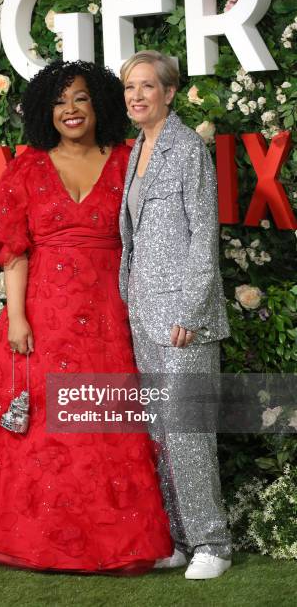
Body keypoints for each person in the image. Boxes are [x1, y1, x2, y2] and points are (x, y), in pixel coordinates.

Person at [0, 60, 172, 573]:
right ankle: (30, 539)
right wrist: (16, 319)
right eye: (58, 102)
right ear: (43, 112)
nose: (69, 110)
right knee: (37, 426)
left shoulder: (129, 160)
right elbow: (14, 249)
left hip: (111, 313)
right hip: (43, 313)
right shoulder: (30, 167)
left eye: (79, 98)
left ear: (98, 102)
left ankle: (111, 543)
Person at [118, 50, 232, 579]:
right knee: (162, 429)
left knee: (188, 429)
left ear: (168, 92)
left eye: (146, 86)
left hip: (184, 318)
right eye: (129, 88)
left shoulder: (187, 147)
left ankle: (214, 543)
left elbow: (204, 233)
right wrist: (128, 296)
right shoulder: (138, 147)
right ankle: (181, 539)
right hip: (143, 312)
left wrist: (190, 307)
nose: (137, 96)